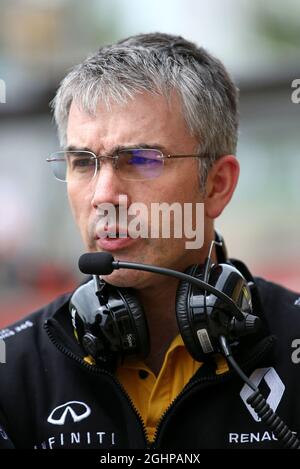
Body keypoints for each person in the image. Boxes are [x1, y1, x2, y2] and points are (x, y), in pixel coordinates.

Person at [0, 32, 300, 450]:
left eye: (140, 160)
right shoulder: (10, 373)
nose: (103, 195)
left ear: (217, 185)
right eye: (83, 162)